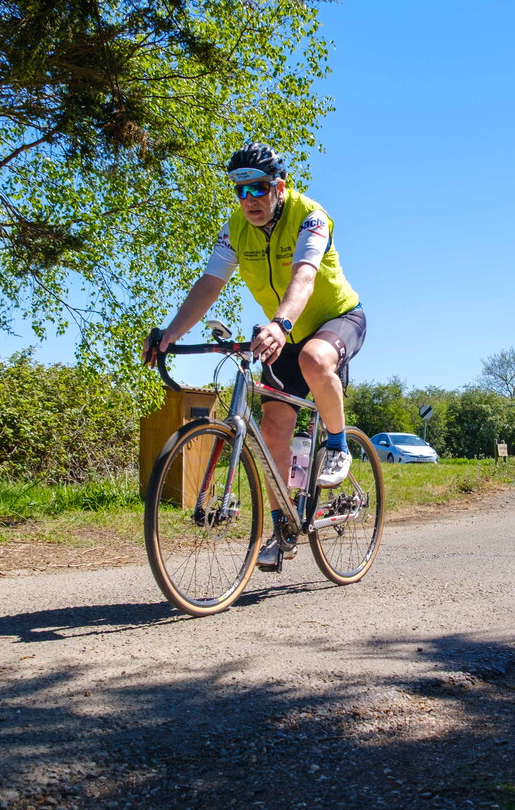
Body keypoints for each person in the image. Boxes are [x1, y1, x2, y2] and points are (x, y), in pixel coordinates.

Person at [145, 142, 367, 569]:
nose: (248, 200)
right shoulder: (234, 230)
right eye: (239, 191)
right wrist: (171, 334)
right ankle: (283, 525)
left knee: (314, 360)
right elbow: (209, 285)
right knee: (272, 428)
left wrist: (280, 324)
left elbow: (303, 277)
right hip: (284, 331)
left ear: (279, 187)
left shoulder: (311, 217)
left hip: (335, 319)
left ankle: (338, 445)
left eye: (258, 189)